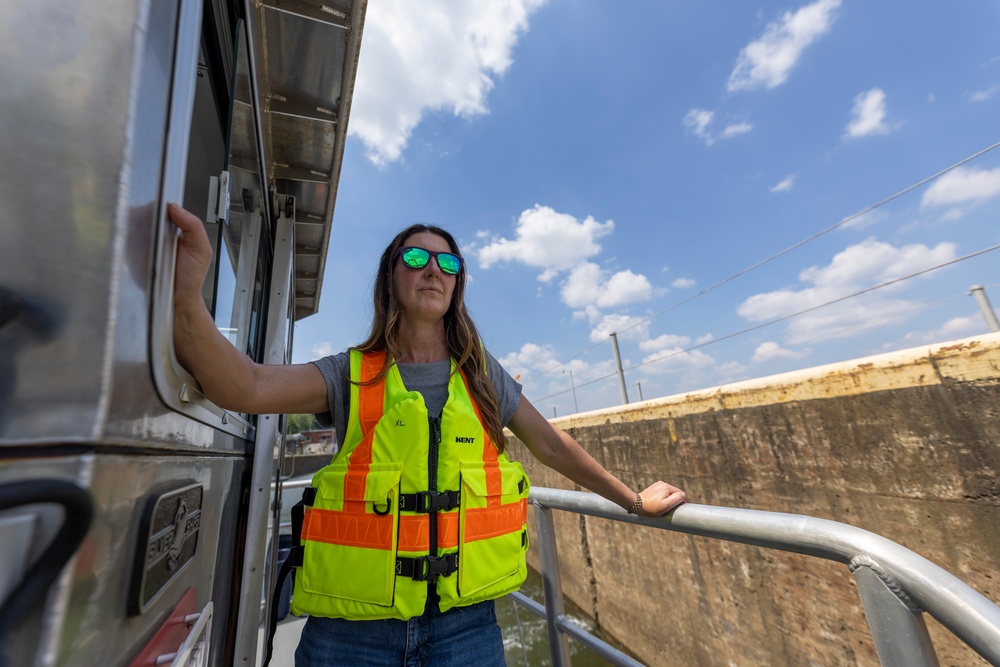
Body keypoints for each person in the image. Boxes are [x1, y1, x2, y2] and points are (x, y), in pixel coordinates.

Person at [168, 204, 687, 666]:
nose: (434, 270)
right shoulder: (349, 373)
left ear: (458, 284)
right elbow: (247, 386)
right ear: (390, 277)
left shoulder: (482, 375)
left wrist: (634, 500)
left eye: (449, 262)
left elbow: (550, 444)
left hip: (465, 631)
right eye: (416, 259)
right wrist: (187, 296)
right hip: (351, 635)